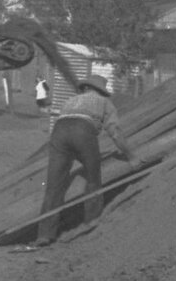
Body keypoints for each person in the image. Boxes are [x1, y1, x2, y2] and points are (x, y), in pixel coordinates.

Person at [34, 42, 130, 247]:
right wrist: (131, 154)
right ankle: (91, 222)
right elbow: (114, 131)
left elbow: (64, 126)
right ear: (100, 91)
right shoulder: (104, 103)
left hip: (59, 132)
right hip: (83, 131)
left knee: (54, 186)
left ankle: (45, 233)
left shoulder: (71, 101)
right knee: (93, 179)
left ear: (85, 88)